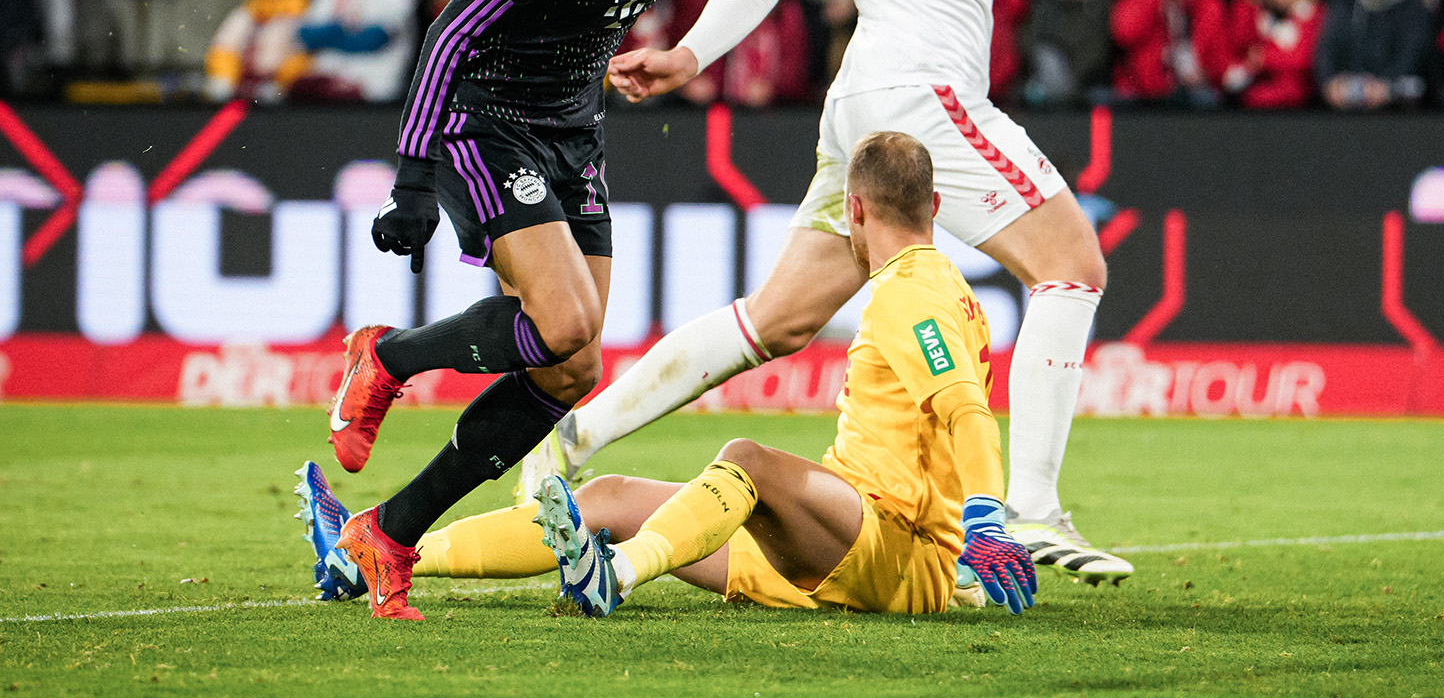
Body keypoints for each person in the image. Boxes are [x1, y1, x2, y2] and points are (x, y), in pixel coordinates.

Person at [536, 0, 1206, 583]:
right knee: (1073, 266)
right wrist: (690, 54)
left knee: (774, 322)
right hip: (918, 103)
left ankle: (572, 437)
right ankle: (1034, 511)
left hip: (866, 116)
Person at [319, 0, 770, 620]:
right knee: (563, 321)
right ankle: (384, 358)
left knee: (572, 366)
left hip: (572, 128)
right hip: (488, 116)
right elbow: (453, 31)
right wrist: (413, 179)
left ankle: (390, 531)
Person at [301, 131, 1039, 617]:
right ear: (934, 206)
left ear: (853, 211)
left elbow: (964, 409)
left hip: (894, 548)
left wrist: (981, 517)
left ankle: (614, 578)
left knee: (746, 460)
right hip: (846, 537)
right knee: (610, 497)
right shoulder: (936, 283)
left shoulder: (912, 292)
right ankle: (371, 556)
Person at [285, 0, 417, 104]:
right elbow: (305, 36)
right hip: (328, 73)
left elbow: (373, 40)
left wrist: (331, 34)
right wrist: (342, 32)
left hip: (375, 76)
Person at [1316, 0, 1431, 110]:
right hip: (1349, 94)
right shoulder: (1346, 2)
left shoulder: (1412, 7)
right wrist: (1329, 81)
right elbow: (1327, 48)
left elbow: (1411, 53)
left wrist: (1387, 82)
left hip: (1396, 100)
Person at [204, 0, 310, 103]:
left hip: (280, 93)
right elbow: (223, 49)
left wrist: (281, 83)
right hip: (239, 87)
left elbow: (302, 57)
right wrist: (224, 78)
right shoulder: (244, 15)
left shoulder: (302, 18)